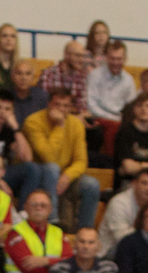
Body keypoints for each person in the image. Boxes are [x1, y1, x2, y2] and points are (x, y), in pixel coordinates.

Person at [23, 89, 99, 233]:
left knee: (92, 184)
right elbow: (49, 157)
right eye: (57, 105)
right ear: (49, 104)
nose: (61, 109)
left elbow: (81, 161)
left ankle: (86, 232)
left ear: (71, 108)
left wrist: (67, 176)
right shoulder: (33, 121)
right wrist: (60, 126)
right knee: (52, 168)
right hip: (40, 176)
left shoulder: (76, 125)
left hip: (63, 175)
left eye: (66, 106)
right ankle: (53, 220)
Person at [98, 169, 148, 258]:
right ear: (134, 184)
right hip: (110, 252)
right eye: (144, 183)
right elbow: (123, 239)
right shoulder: (118, 203)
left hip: (145, 250)